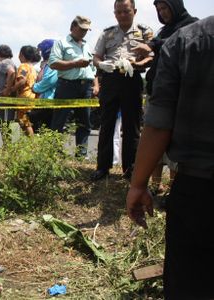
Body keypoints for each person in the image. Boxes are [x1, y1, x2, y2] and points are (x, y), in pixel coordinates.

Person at [126, 16, 214, 299]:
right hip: (195, 187)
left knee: (189, 285)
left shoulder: (187, 41)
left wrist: (138, 184)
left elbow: (159, 122)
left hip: (198, 192)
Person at [133, 0, 197, 193]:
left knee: (175, 143)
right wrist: (140, 64)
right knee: (154, 141)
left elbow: (179, 42)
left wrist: (152, 44)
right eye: (159, 9)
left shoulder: (192, 26)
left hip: (177, 96)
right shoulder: (163, 30)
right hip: (156, 92)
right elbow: (157, 56)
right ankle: (155, 185)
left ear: (176, 6)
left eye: (165, 8)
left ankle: (173, 189)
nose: (162, 12)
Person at [91, 0, 154, 181]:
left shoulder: (144, 31)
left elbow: (152, 56)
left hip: (132, 78)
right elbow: (96, 57)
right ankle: (102, 167)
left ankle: (130, 168)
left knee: (131, 125)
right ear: (114, 13)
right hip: (110, 79)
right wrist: (101, 64)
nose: (122, 15)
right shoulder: (107, 32)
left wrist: (137, 64)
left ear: (134, 11)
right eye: (118, 12)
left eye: (126, 11)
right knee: (107, 123)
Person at [49, 16, 98, 158]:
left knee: (84, 122)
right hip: (67, 85)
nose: (84, 32)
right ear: (72, 27)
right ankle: (53, 153)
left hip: (86, 87)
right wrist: (76, 63)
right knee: (60, 120)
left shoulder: (87, 45)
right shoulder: (61, 43)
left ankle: (81, 154)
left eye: (86, 30)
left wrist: (95, 85)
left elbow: (92, 69)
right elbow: (53, 63)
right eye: (81, 29)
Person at [11, 45, 41, 136]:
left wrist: (12, 89)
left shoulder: (23, 66)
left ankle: (31, 145)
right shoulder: (33, 67)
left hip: (24, 97)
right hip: (32, 96)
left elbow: (22, 80)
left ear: (22, 55)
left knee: (24, 122)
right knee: (27, 122)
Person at [32, 39, 57, 132]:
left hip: (50, 102)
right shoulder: (48, 63)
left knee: (44, 130)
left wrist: (35, 87)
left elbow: (48, 81)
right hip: (46, 101)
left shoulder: (53, 63)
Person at [0, 45, 17, 143]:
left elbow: (11, 73)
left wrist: (7, 89)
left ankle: (7, 145)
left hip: (5, 99)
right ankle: (7, 144)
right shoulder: (11, 62)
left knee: (4, 122)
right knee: (4, 122)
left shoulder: (4, 63)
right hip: (6, 98)